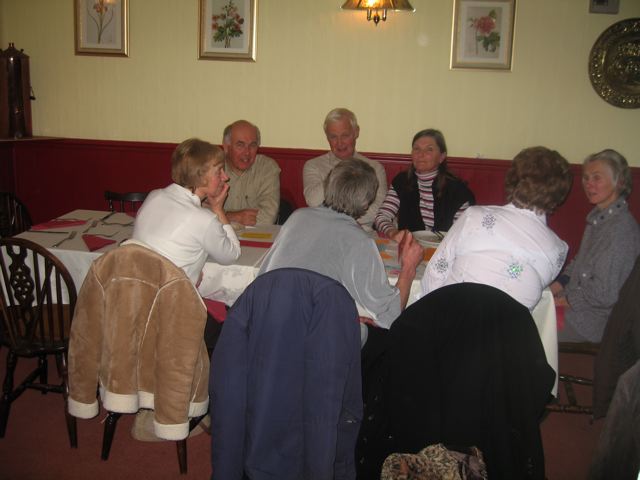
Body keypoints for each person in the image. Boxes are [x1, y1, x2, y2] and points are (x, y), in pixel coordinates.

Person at [259, 158, 423, 332]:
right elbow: (390, 315)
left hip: (265, 322)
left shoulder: (297, 217)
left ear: (328, 185)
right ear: (367, 203)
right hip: (315, 338)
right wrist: (409, 268)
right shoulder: (360, 242)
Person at [421, 146, 573, 311]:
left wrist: (429, 316)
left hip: (450, 323)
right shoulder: (559, 250)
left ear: (512, 179)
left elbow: (436, 271)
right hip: (507, 335)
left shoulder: (474, 216)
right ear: (560, 194)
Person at [552, 149, 640, 343]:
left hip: (593, 321)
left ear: (620, 182)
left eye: (596, 178)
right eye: (585, 178)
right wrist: (556, 286)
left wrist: (564, 301)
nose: (588, 184)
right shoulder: (600, 219)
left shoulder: (620, 231)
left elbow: (605, 293)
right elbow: (579, 262)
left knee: (526, 325)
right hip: (579, 307)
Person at [133, 137, 241, 286]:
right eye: (218, 172)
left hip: (136, 290)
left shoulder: (154, 196)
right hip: (172, 301)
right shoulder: (203, 219)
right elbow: (232, 255)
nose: (225, 177)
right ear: (200, 177)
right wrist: (218, 210)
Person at [374, 128, 475, 241]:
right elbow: (382, 217)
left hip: (444, 249)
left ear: (441, 157)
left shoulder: (458, 191)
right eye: (416, 149)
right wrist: (393, 233)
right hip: (410, 247)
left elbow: (462, 232)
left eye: (429, 150)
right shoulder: (402, 181)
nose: (421, 154)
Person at [302, 107, 387, 231]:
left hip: (362, 232)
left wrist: (342, 223)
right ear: (327, 137)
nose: (340, 143)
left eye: (345, 135)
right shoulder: (313, 166)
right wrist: (338, 172)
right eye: (333, 137)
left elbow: (378, 208)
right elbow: (313, 201)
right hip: (324, 230)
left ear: (356, 132)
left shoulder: (375, 168)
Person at [221, 120, 281, 226]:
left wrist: (221, 217)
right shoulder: (211, 167)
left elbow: (267, 218)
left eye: (252, 145)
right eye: (240, 145)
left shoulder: (267, 167)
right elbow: (199, 212)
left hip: (254, 238)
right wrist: (230, 216)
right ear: (226, 147)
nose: (247, 152)